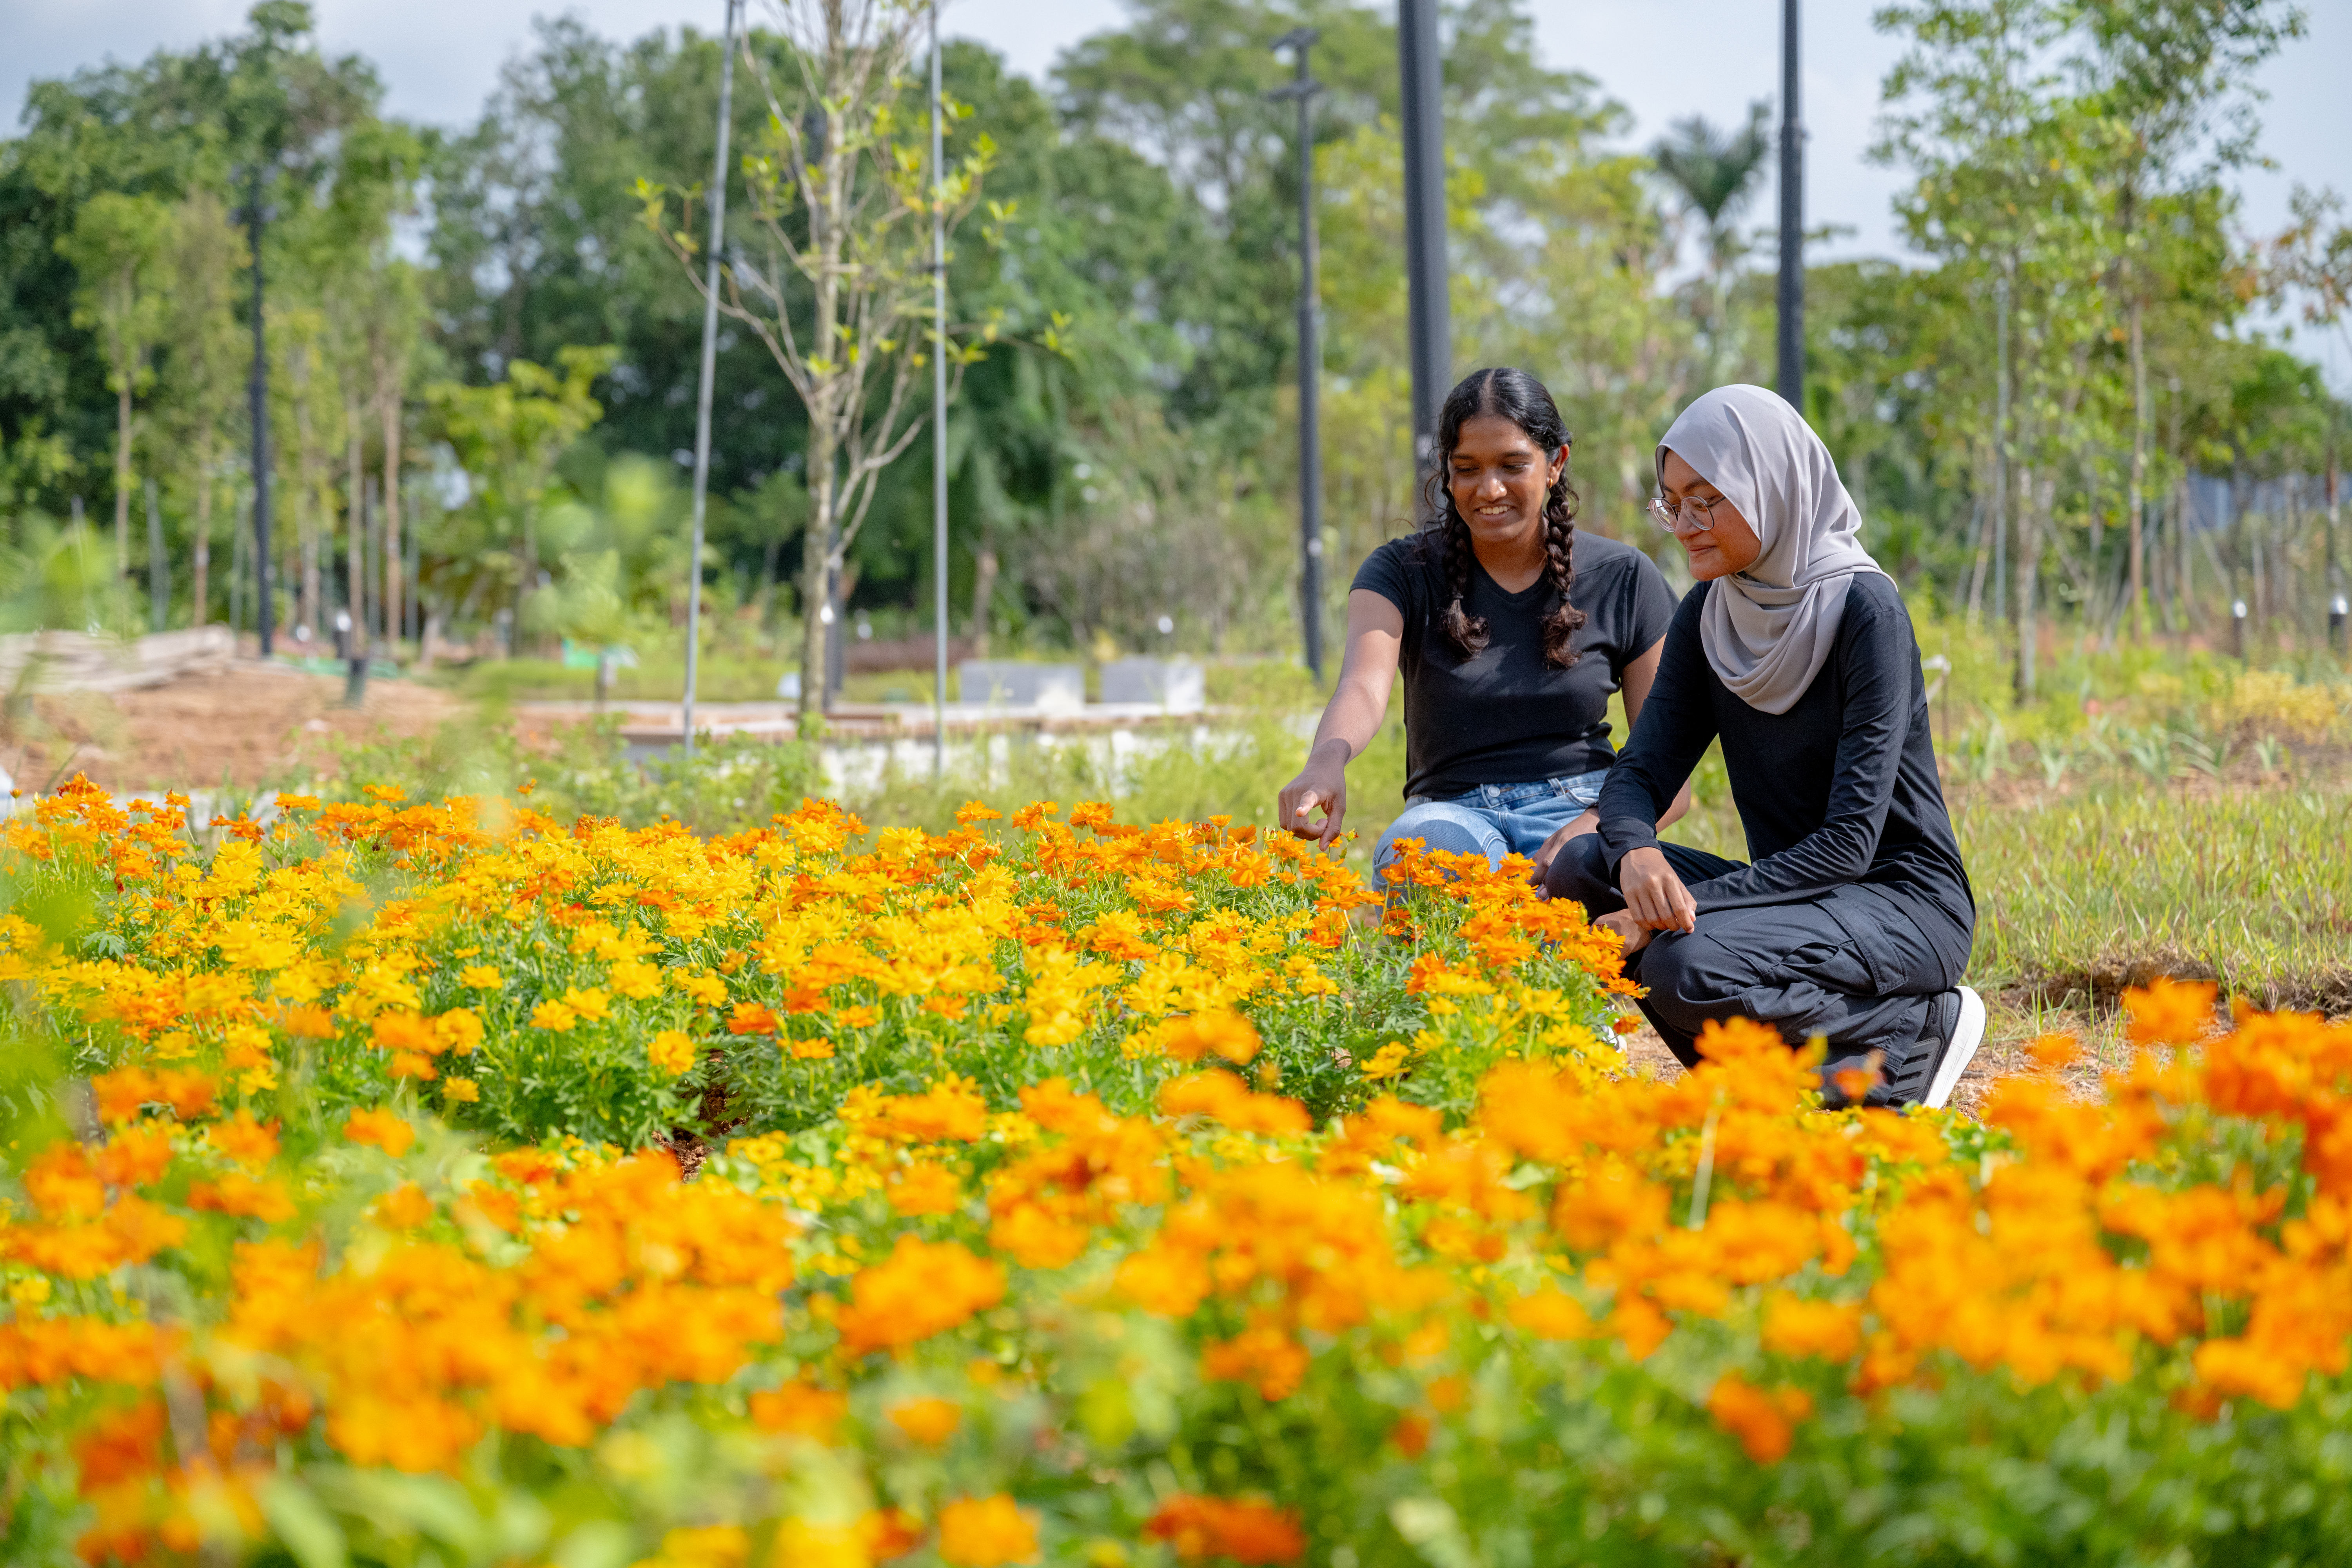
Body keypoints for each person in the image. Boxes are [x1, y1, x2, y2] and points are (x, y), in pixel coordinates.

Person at [1545, 384, 1984, 1109]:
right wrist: (1637, 854)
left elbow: (1849, 844)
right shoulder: (1712, 614)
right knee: (1584, 869)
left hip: (1902, 905)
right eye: (1672, 502)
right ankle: (1766, 1092)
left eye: (1706, 499)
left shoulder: (1864, 610)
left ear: (1770, 486)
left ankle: (1911, 1036)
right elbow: (1638, 776)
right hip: (1801, 898)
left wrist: (1661, 913)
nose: (1684, 523)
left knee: (1683, 962)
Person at [1278, 367, 1689, 882]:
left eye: (1513, 465)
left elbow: (1666, 763)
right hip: (1449, 815)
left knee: (1582, 870)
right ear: (1447, 472)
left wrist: (1599, 825)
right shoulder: (1399, 573)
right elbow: (1362, 685)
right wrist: (1325, 761)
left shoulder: (1626, 578)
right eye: (1467, 468)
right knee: (1422, 852)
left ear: (1556, 463)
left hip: (1581, 811)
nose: (1489, 488)